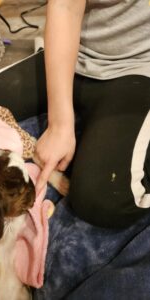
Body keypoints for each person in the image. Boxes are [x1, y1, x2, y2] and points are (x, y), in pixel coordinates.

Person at [35, 0, 150, 228]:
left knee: (102, 200)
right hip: (75, 52)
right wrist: (59, 125)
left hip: (139, 67)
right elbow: (64, 6)